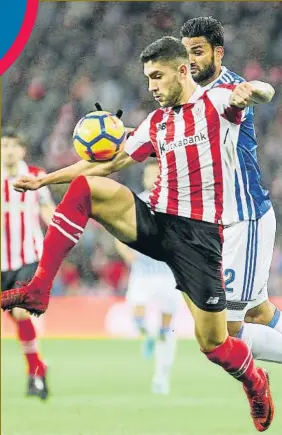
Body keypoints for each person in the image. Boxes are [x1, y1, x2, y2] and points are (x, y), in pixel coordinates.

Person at [1, 37, 276, 431]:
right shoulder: (157, 122)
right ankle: (39, 287)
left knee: (214, 344)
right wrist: (46, 179)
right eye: (148, 78)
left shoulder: (218, 103)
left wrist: (255, 90)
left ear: (183, 70)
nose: (151, 86)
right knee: (86, 190)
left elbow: (263, 93)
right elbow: (109, 163)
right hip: (154, 219)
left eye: (158, 76)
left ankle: (254, 379)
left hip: (197, 239)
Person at [180, 16, 282, 363]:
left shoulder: (231, 88)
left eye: (198, 51)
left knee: (225, 329)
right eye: (186, 53)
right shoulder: (189, 97)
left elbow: (263, 91)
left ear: (218, 52)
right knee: (260, 314)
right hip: (224, 221)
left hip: (245, 216)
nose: (190, 59)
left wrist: (253, 90)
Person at [115, 159, 180, 394]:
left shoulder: (176, 204)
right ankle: (147, 335)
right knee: (138, 319)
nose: (151, 178)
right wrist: (126, 254)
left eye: (156, 174)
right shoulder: (135, 202)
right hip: (142, 274)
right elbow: (118, 231)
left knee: (166, 330)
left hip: (169, 276)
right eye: (148, 174)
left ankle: (161, 378)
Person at [1, 128, 55, 399]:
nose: (8, 150)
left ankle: (36, 374)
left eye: (13, 145)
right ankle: (38, 367)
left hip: (28, 257)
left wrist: (58, 234)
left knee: (21, 312)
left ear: (22, 150)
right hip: (2, 263)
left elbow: (47, 208)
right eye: (4, 146)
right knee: (18, 322)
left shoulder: (36, 175)